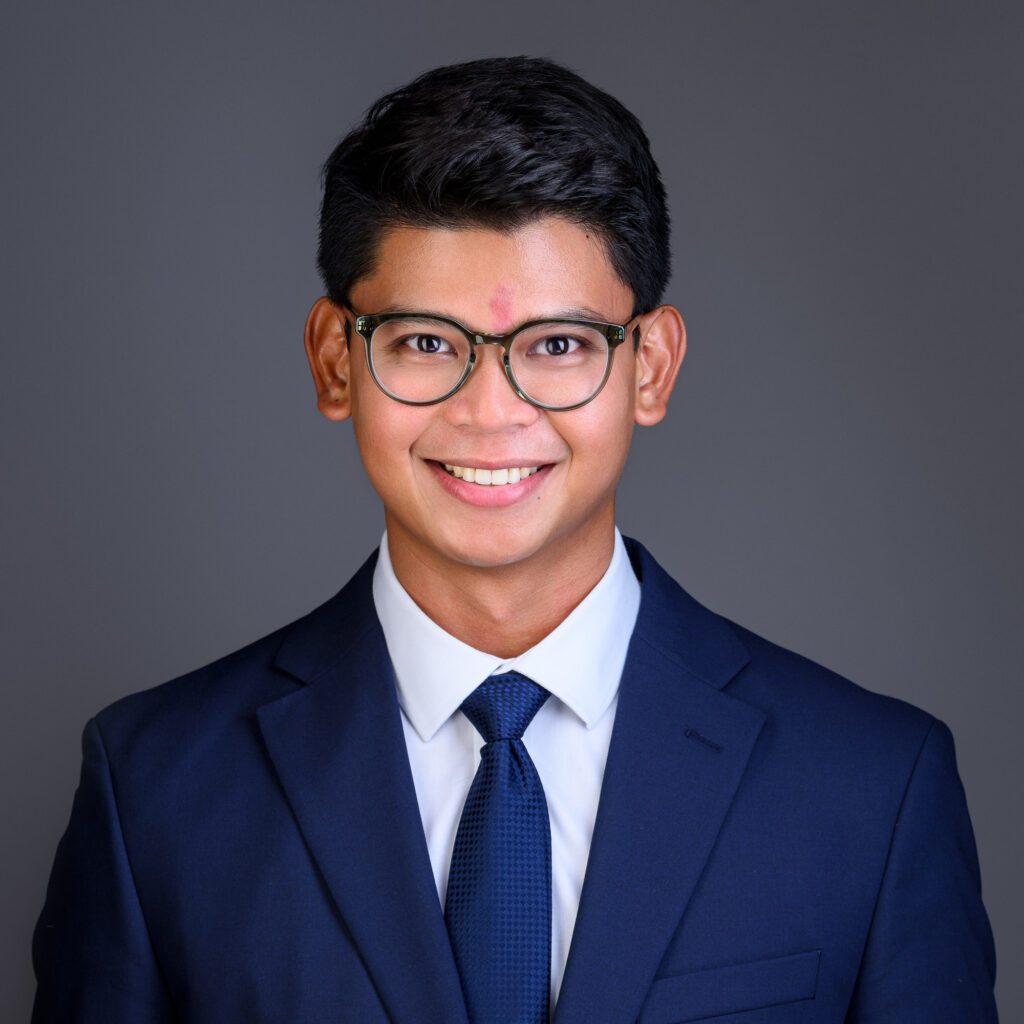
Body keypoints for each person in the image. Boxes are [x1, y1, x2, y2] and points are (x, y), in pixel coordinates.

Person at [31, 56, 998, 1024]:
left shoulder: (869, 782)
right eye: (423, 341)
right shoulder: (157, 781)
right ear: (337, 360)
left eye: (559, 345)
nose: (490, 414)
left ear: (649, 367)